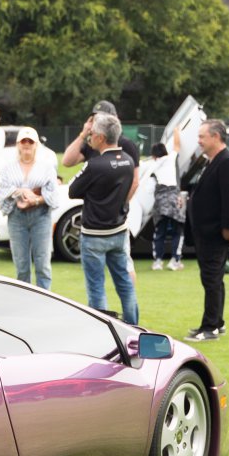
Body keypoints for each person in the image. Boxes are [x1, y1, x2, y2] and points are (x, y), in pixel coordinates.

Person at [68, 113, 138, 325]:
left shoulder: (95, 165)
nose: (90, 137)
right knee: (125, 284)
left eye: (92, 134)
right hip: (118, 231)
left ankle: (104, 334)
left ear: (99, 137)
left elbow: (73, 190)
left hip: (94, 235)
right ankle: (134, 328)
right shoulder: (128, 161)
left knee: (96, 288)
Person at [185, 119, 229, 342]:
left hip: (215, 233)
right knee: (213, 279)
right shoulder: (212, 161)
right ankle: (217, 322)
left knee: (211, 279)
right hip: (205, 232)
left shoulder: (227, 162)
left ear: (216, 137)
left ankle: (209, 327)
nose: (199, 141)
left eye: (202, 137)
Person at [0, 127, 60, 289]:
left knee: (43, 263)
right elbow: (2, 189)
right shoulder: (7, 167)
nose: (26, 144)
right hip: (16, 216)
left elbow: (53, 193)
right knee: (21, 264)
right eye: (23, 141)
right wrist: (22, 191)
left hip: (40, 216)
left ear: (36, 145)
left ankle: (45, 300)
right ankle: (24, 300)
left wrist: (35, 200)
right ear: (18, 144)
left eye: (30, 141)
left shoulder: (46, 167)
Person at [146, 141, 186, 271]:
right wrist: (176, 130)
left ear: (154, 155)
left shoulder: (153, 164)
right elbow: (177, 145)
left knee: (159, 231)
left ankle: (158, 261)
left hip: (160, 200)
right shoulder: (171, 157)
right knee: (177, 231)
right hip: (173, 198)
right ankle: (175, 260)